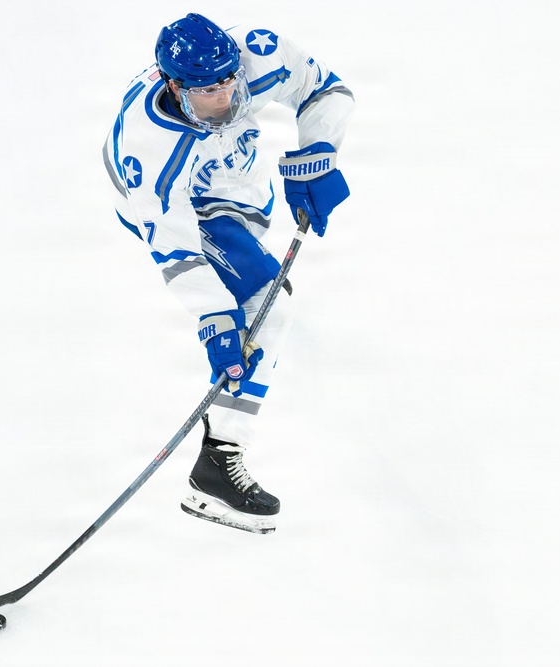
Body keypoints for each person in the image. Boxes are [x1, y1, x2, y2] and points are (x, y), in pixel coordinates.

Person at [103, 13, 354, 534]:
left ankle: (219, 452)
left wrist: (317, 154)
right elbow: (175, 249)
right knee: (269, 308)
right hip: (182, 208)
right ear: (176, 87)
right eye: (206, 92)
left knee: (264, 303)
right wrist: (215, 318)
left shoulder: (257, 54)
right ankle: (218, 464)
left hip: (235, 186)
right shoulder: (150, 153)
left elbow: (325, 90)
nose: (224, 99)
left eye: (229, 83)